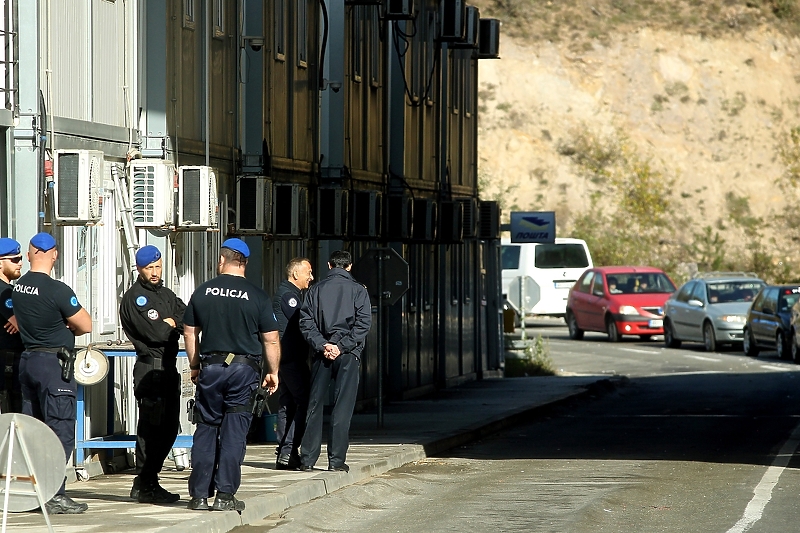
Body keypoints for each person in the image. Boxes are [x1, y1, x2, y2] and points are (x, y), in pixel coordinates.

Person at [183, 238, 280, 512]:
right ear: (244, 263)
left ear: (222, 260)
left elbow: (190, 332)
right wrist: (273, 372)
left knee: (206, 428)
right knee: (234, 432)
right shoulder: (257, 296)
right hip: (242, 370)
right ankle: (224, 496)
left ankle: (199, 496)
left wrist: (194, 366)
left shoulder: (202, 292)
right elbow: (271, 340)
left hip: (210, 369)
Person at [11, 232, 92, 514]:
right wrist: (65, 326)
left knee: (33, 432)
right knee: (60, 431)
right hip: (53, 366)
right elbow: (85, 325)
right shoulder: (58, 290)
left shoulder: (19, 288)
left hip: (28, 360)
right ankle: (54, 493)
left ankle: (32, 492)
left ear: (32, 253)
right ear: (54, 255)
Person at [119, 245, 186, 504]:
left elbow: (188, 315)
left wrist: (172, 322)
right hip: (151, 368)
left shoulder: (166, 294)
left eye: (158, 267)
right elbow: (157, 333)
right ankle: (145, 482)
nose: (155, 272)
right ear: (139, 269)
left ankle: (149, 480)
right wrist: (170, 324)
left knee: (169, 429)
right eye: (150, 268)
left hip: (168, 367)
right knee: (152, 428)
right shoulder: (136, 298)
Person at [297, 250, 371, 473]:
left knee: (315, 405)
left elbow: (306, 322)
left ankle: (307, 459)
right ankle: (336, 461)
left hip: (322, 354)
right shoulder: (359, 291)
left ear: (329, 266)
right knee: (342, 407)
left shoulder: (315, 290)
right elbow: (363, 324)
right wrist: (342, 346)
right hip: (348, 355)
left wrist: (323, 345)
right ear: (349, 266)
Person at [272, 257, 313, 470]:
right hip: (291, 359)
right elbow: (301, 320)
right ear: (295, 274)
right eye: (308, 272)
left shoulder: (292, 293)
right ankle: (288, 451)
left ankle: (284, 453)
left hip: (285, 359)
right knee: (303, 403)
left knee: (287, 405)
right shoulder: (289, 296)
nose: (311, 277)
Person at [0, 238, 24, 413]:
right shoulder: (4, 291)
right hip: (7, 362)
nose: (20, 264)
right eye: (14, 260)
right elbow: (20, 323)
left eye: (20, 258)